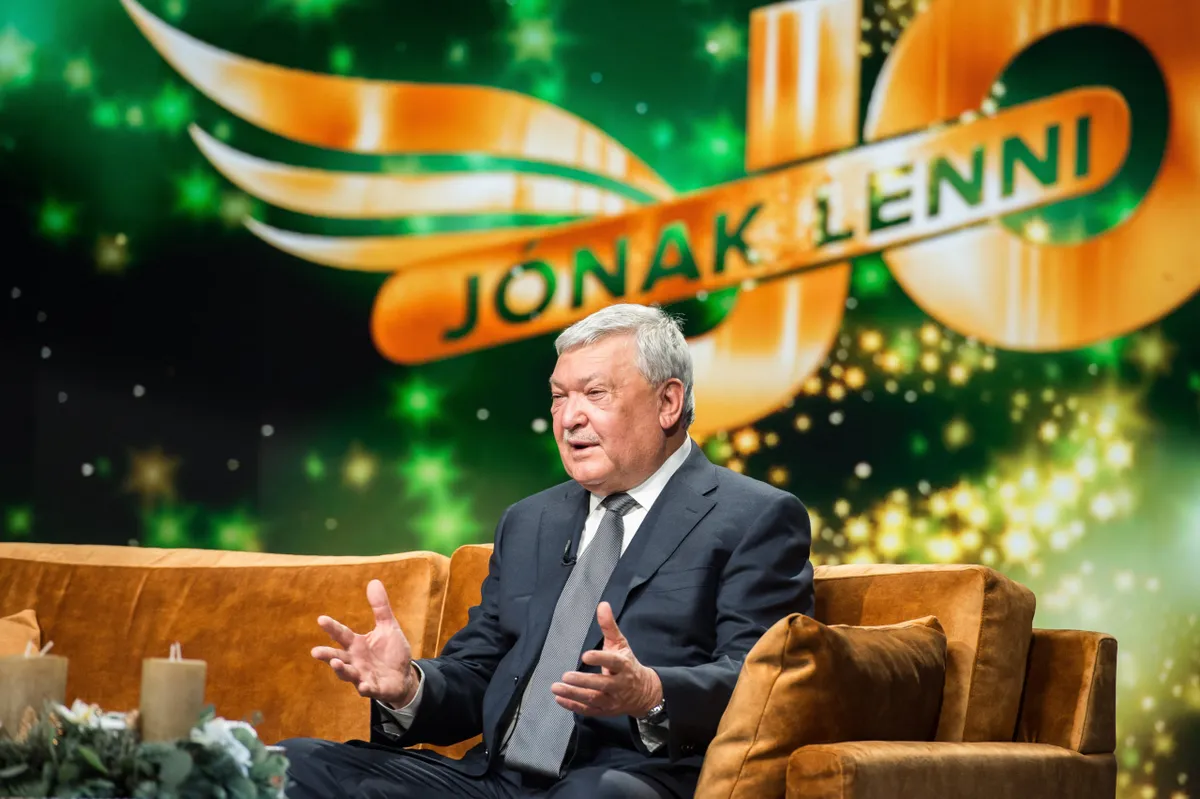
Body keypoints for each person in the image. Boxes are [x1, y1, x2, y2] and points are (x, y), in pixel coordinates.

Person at [281, 303, 814, 798]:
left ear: (668, 402)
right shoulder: (530, 521)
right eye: (560, 396)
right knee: (292, 766)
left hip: (626, 777)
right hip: (494, 780)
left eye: (595, 393)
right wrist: (408, 688)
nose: (569, 418)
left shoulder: (753, 517)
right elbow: (481, 671)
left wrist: (652, 692)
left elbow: (761, 682)